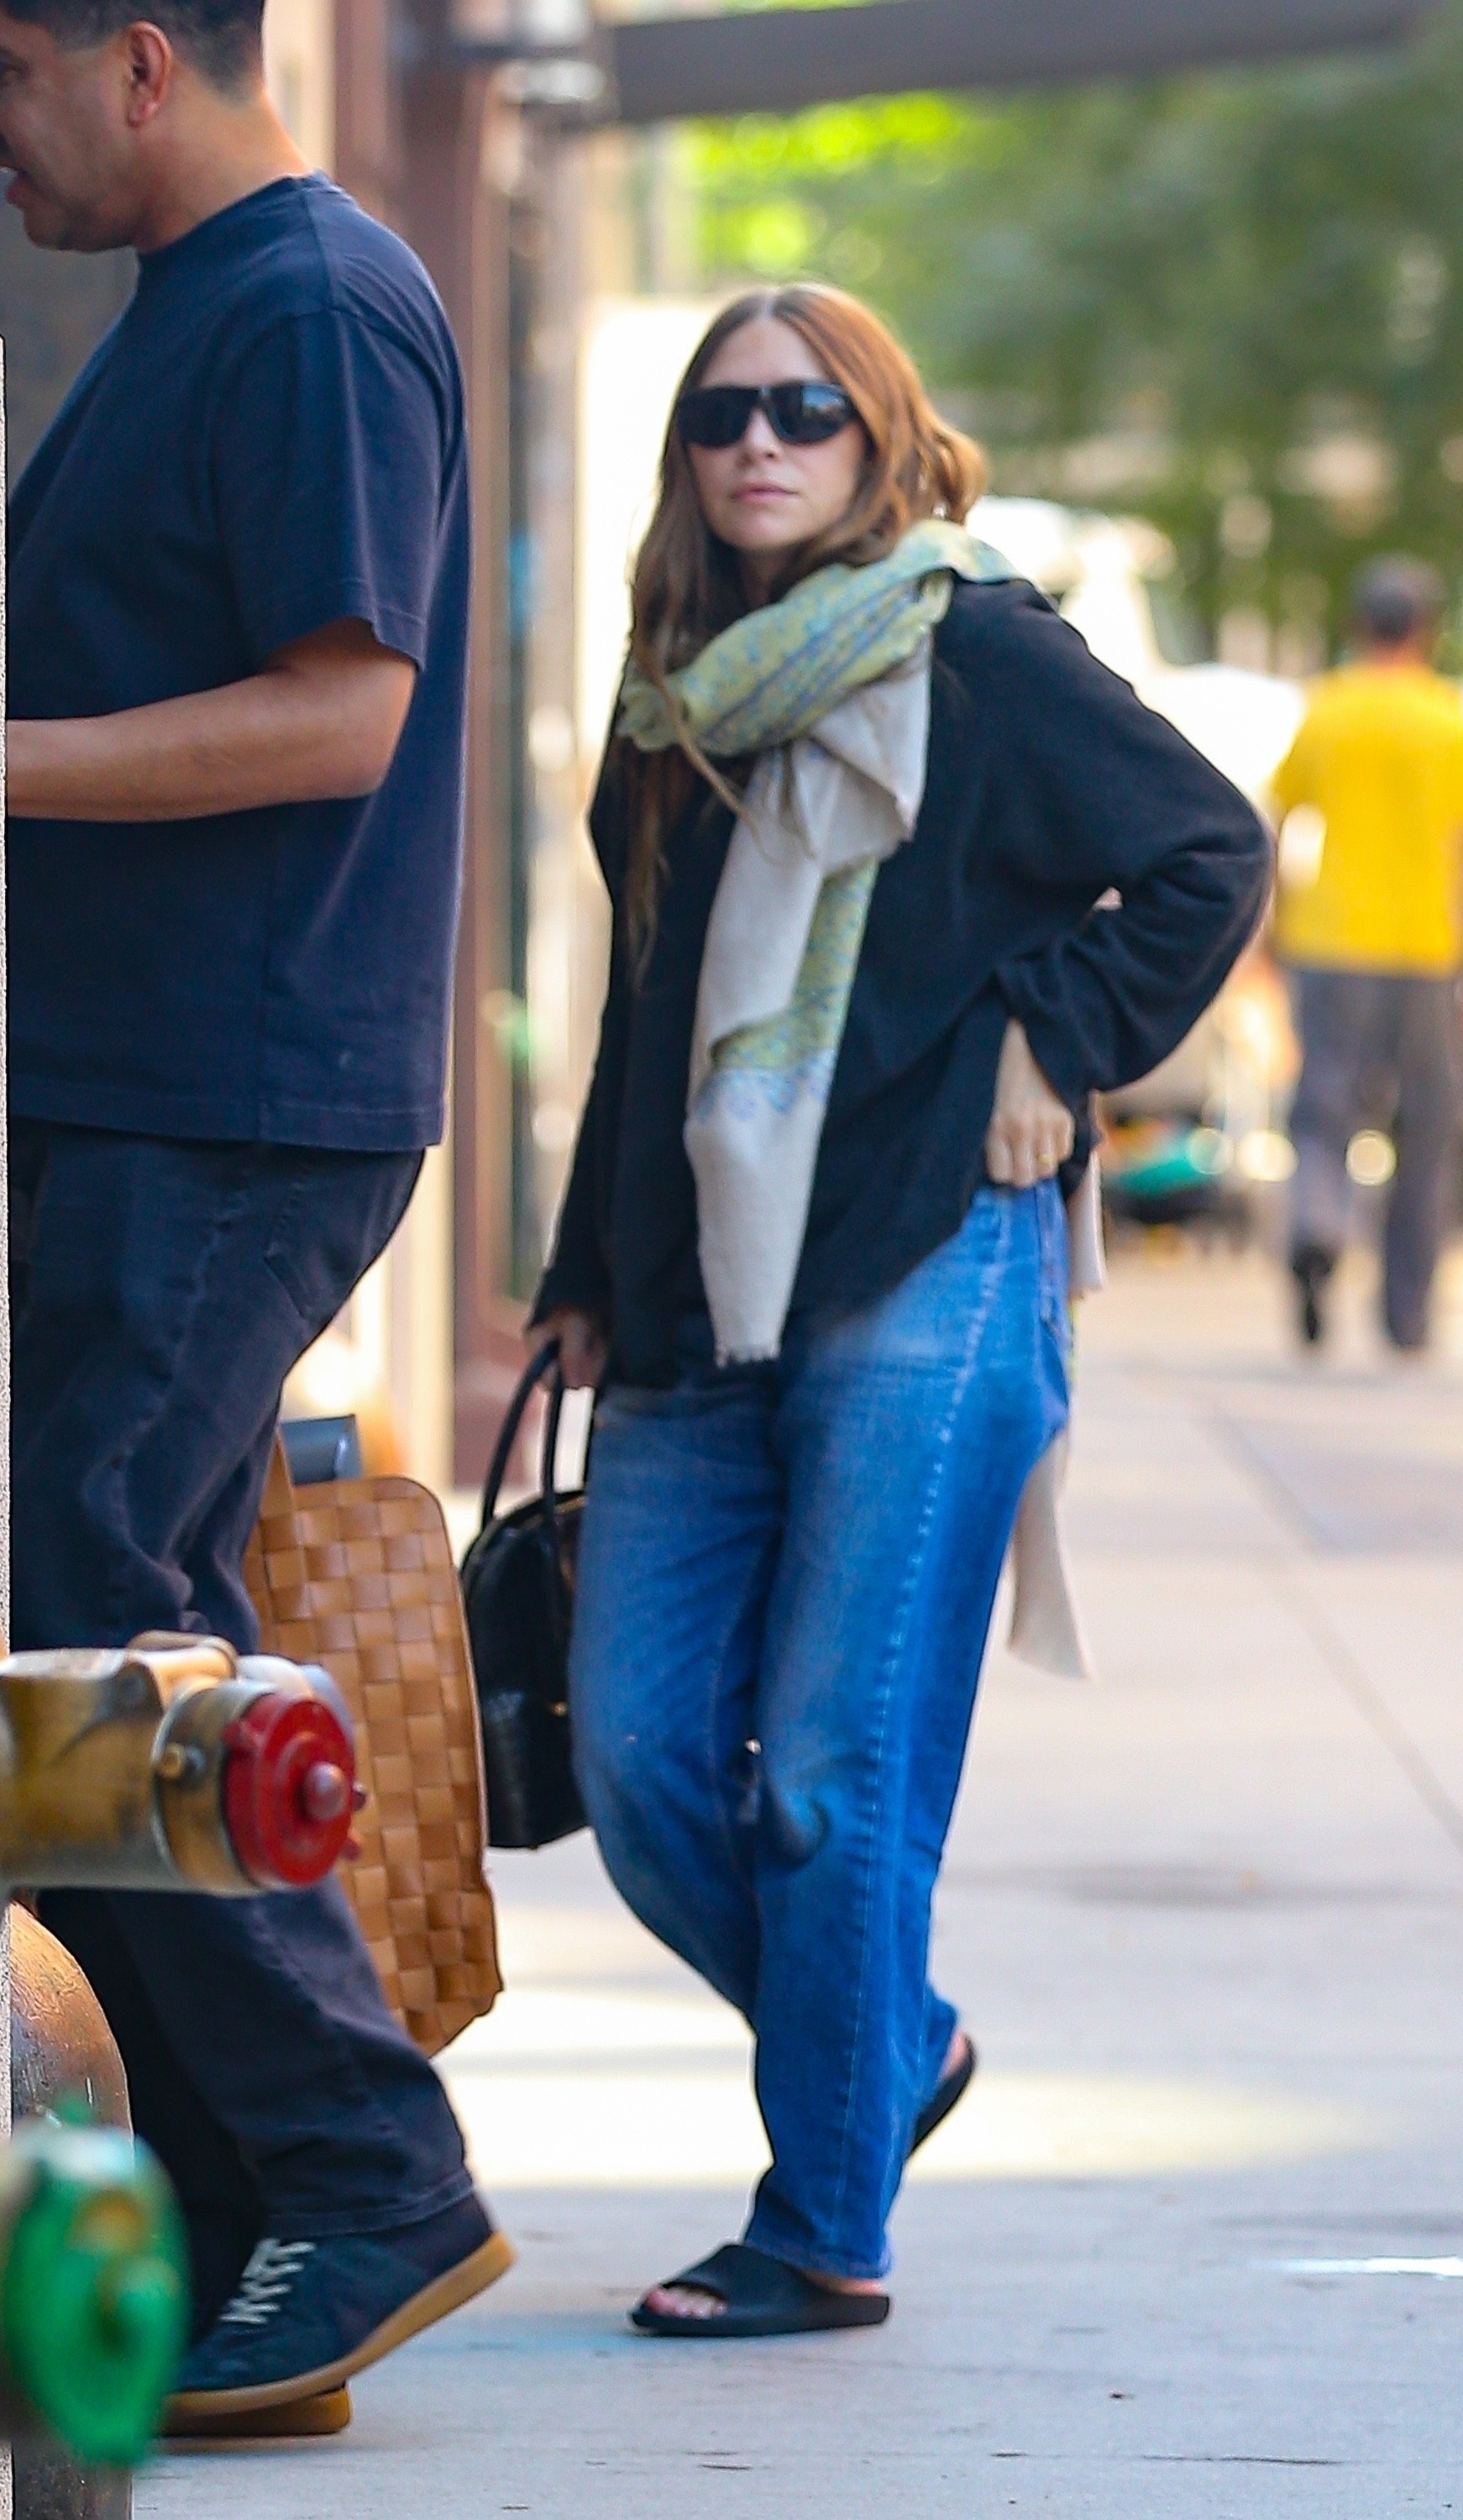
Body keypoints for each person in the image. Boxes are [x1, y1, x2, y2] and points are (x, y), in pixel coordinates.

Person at [527, 284, 1270, 2336]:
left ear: (882, 441)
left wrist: (1058, 1038)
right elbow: (648, 1006)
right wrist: (589, 1263)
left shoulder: (977, 649)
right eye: (720, 417)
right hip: (696, 1288)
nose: (760, 444)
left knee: (833, 1775)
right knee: (649, 1755)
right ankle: (892, 2041)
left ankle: (819, 2218)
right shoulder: (670, 701)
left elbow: (1208, 852)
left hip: (926, 1266)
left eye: (807, 413)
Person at [0, 0, 510, 2430]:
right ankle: (250, 2221)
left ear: (130, 60)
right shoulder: (218, 302)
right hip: (155, 1083)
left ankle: (364, 2169)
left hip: (229, 1091)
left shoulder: (307, 302)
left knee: (89, 1611)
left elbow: (341, 712)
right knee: (113, 1629)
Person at [1270, 559, 1463, 1352]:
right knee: (1431, 1128)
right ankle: (1407, 1311)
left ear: (1359, 624)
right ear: (1426, 627)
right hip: (1425, 952)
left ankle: (1317, 1221)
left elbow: (1278, 822)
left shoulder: (1328, 708)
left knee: (1323, 1111)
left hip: (1330, 941)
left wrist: (1271, 928)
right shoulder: (1447, 717)